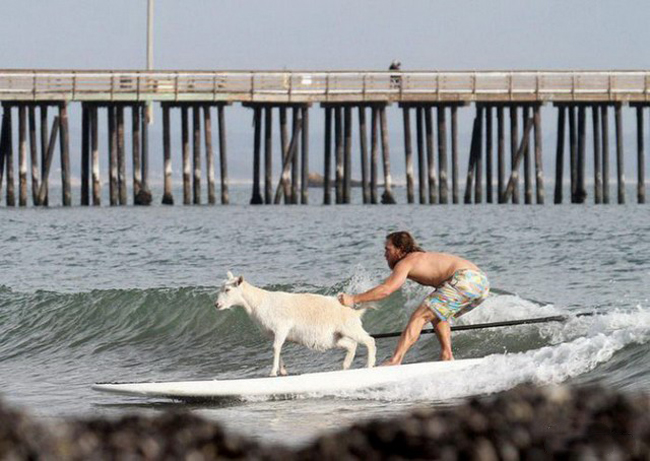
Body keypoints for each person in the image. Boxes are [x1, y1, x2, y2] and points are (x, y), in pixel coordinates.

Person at [338, 231, 489, 364]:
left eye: (388, 249)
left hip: (465, 279)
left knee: (419, 317)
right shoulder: (420, 258)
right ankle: (447, 355)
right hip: (481, 283)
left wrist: (353, 299)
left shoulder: (406, 262)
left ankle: (395, 360)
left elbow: (385, 290)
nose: (385, 254)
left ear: (400, 250)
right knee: (437, 313)